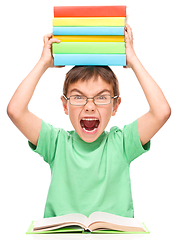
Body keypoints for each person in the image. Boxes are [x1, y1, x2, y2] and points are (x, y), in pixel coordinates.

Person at [7, 24, 171, 219]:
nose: (90, 106)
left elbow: (161, 112)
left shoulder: (123, 143)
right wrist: (43, 63)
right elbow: (15, 111)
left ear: (116, 105)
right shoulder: (56, 143)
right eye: (78, 97)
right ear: (65, 105)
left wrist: (133, 61)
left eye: (101, 97)